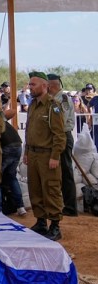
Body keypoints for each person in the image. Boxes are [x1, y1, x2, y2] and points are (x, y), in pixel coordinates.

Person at [25, 72, 67, 241]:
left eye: (33, 84)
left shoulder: (53, 106)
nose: (30, 87)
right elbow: (29, 131)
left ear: (44, 86)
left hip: (47, 155)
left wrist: (55, 156)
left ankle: (55, 226)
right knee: (35, 189)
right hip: (33, 154)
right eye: (29, 84)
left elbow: (59, 135)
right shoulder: (33, 105)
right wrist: (26, 152)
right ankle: (41, 222)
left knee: (51, 189)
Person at [47, 73, 78, 217]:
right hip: (58, 137)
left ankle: (70, 207)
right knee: (58, 172)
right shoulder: (54, 99)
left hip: (63, 136)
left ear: (51, 86)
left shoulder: (62, 99)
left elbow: (61, 120)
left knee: (66, 172)